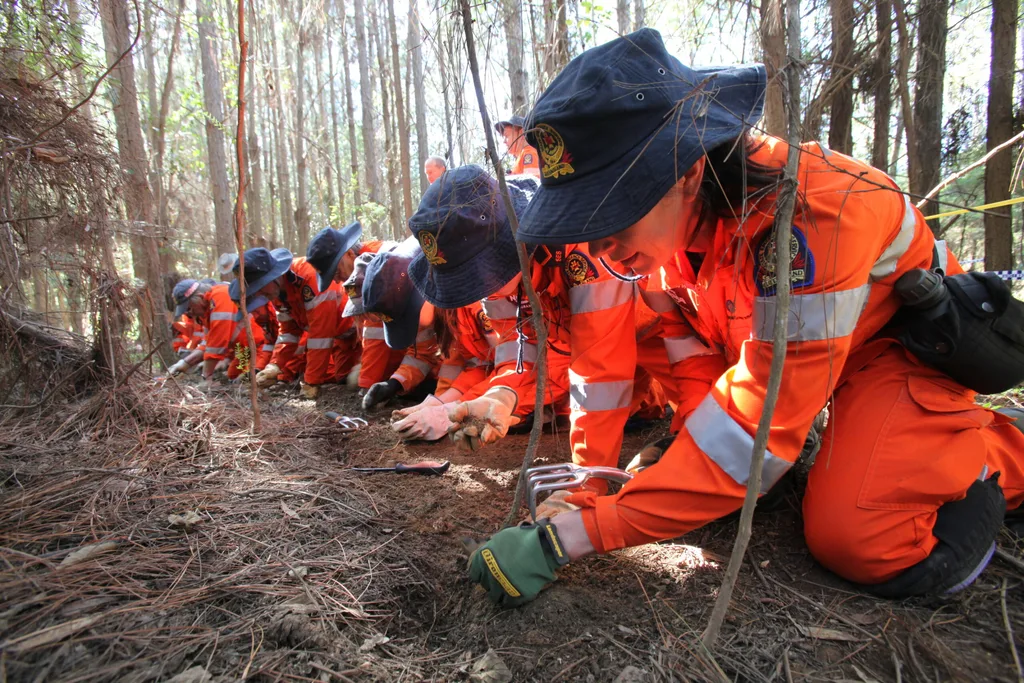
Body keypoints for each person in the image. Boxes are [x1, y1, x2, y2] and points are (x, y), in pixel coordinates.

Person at [464, 29, 1024, 607]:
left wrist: (569, 538)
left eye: (615, 221)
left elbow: (753, 430)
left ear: (684, 174)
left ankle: (999, 450)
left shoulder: (810, 219)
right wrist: (679, 444)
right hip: (811, 371)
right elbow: (702, 362)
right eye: (587, 230)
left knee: (861, 539)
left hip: (897, 353)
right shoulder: (662, 246)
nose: (605, 252)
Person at [405, 165, 672, 460]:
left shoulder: (583, 252)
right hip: (615, 367)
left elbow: (599, 372)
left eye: (475, 275)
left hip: (661, 349)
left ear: (509, 246)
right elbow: (523, 356)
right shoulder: (502, 285)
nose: (477, 291)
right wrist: (502, 394)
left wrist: (584, 481)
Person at [230, 247, 344, 399]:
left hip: (353, 332)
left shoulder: (310, 278)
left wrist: (311, 381)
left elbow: (320, 336)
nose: (258, 294)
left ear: (273, 276)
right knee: (345, 379)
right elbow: (289, 333)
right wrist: (274, 366)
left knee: (358, 381)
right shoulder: (276, 291)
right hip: (341, 340)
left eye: (259, 286)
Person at [359, 239, 443, 410]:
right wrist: (395, 383)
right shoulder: (416, 304)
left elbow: (479, 359)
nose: (414, 324)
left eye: (407, 317)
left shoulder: (467, 298)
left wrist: (446, 398)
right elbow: (423, 354)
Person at [166, 278, 267, 381]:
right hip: (245, 351)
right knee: (233, 375)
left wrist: (206, 376)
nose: (188, 314)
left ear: (200, 298)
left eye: (188, 309)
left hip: (260, 347)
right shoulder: (206, 312)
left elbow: (216, 345)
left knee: (246, 380)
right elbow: (207, 343)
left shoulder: (221, 297)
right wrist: (184, 363)